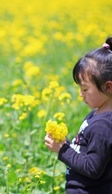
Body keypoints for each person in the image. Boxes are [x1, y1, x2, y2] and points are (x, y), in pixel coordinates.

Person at [44, 36, 112, 194]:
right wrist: (65, 143)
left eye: (85, 89)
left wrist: (62, 150)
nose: (81, 95)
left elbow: (92, 167)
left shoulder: (103, 126)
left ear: (108, 87)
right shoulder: (97, 114)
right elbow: (84, 150)